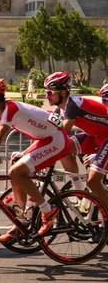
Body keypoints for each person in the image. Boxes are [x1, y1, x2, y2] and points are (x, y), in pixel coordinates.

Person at [0, 79, 71, 239]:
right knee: (14, 166)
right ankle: (22, 220)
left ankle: (48, 210)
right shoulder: (1, 112)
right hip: (45, 140)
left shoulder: (10, 109)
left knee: (17, 172)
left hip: (56, 140)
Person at [44, 71, 108, 211]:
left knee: (92, 182)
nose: (46, 96)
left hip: (106, 138)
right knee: (64, 150)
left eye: (50, 93)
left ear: (62, 93)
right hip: (96, 137)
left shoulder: (72, 105)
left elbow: (61, 135)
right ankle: (80, 193)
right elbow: (48, 133)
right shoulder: (59, 109)